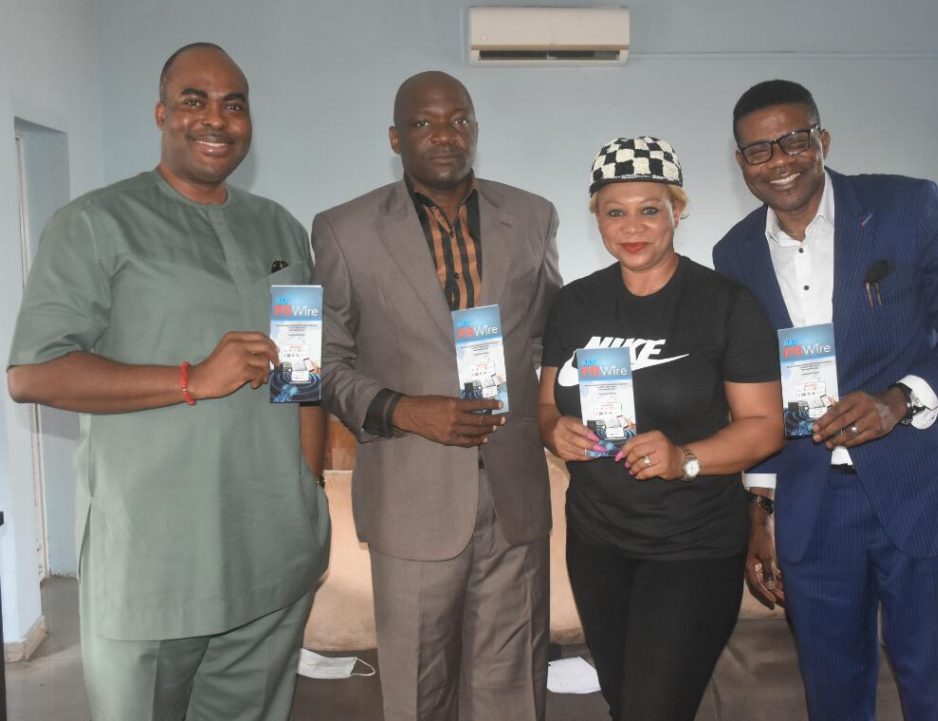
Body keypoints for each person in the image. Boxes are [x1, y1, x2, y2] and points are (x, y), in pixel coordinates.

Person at [6, 43, 330, 721]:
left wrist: (308, 487)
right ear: (161, 114)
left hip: (271, 547)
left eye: (233, 104)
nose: (215, 119)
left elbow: (301, 373)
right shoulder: (95, 224)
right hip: (154, 562)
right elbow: (33, 373)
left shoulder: (280, 227)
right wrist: (192, 378)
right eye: (193, 100)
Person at [714, 79, 938, 721]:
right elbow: (756, 387)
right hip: (814, 501)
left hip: (921, 483)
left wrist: (900, 400)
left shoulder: (904, 206)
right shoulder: (734, 254)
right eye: (759, 150)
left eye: (794, 140)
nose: (779, 160)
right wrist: (759, 508)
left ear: (822, 139)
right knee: (832, 691)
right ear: (741, 163)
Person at [311, 70, 560, 721]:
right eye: (424, 123)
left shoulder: (532, 216)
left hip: (513, 492)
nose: (445, 135)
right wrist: (403, 408)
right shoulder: (344, 230)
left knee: (515, 685)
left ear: (475, 128)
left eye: (459, 119)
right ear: (396, 137)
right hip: (411, 494)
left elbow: (547, 339)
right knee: (419, 691)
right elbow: (322, 362)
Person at [539, 136, 784, 721]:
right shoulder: (575, 303)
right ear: (597, 218)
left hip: (693, 545)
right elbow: (545, 405)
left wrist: (685, 458)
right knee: (625, 701)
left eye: (650, 209)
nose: (632, 227)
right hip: (597, 542)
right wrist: (554, 430)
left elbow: (765, 426)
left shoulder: (725, 303)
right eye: (614, 211)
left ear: (677, 210)